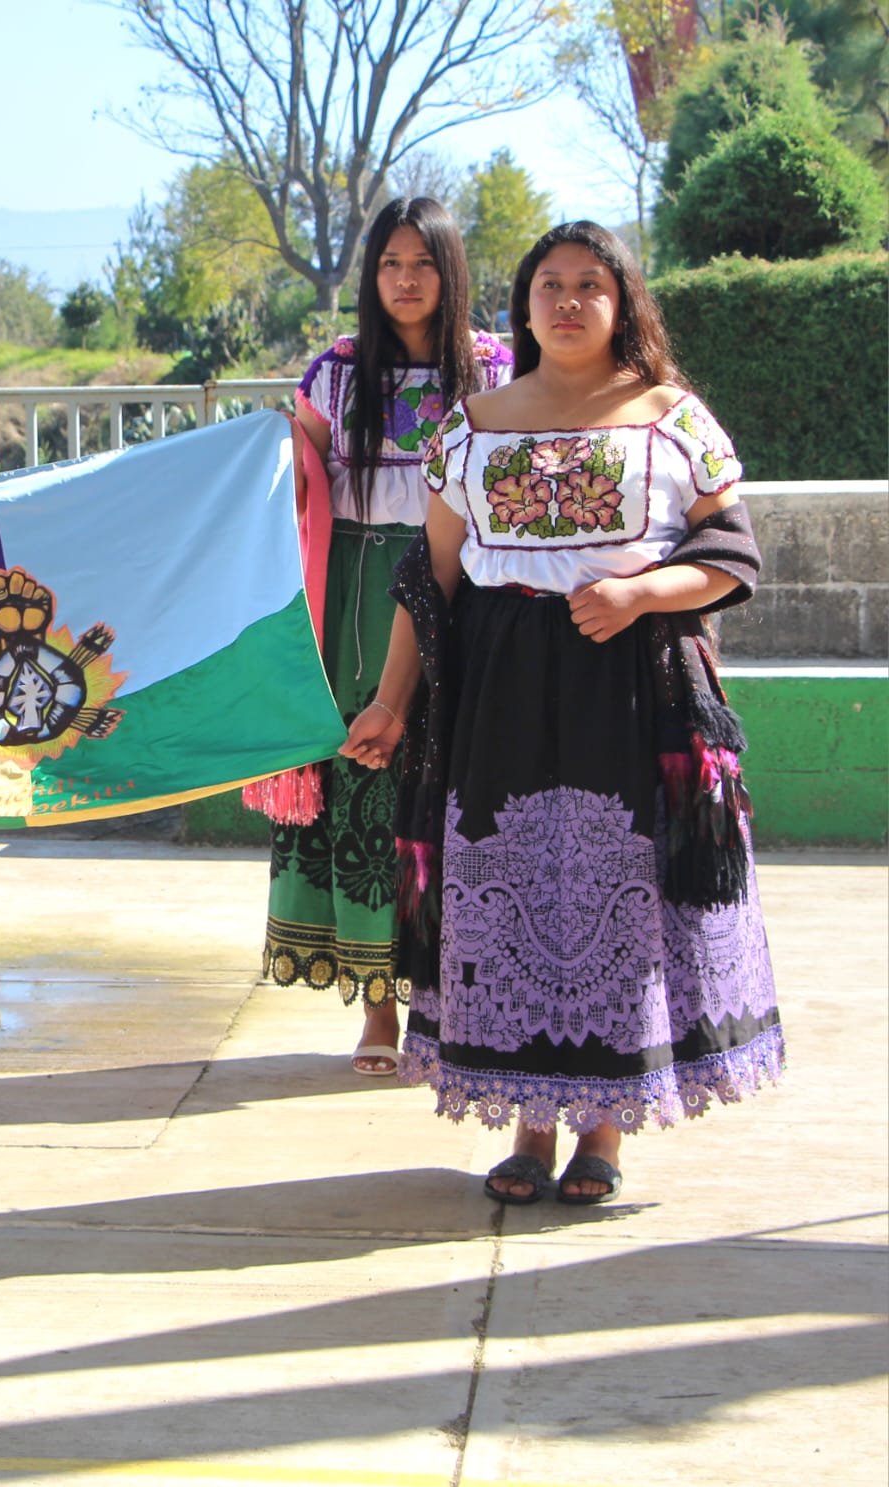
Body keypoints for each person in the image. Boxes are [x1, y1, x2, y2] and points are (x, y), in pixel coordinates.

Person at [344, 221, 783, 1203]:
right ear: (524, 301)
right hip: (499, 688)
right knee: (510, 892)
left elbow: (731, 557)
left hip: (630, 684)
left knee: (610, 894)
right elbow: (433, 579)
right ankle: (525, 1129)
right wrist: (387, 701)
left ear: (623, 301)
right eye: (551, 283)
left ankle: (602, 1134)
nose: (570, 300)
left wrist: (638, 594)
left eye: (592, 283)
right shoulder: (472, 424)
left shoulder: (672, 419)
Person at [256, 197, 512, 1075]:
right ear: (372, 276)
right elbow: (292, 474)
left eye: (423, 263)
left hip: (467, 589)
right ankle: (376, 1009)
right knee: (369, 777)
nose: (406, 280)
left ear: (452, 271)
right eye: (390, 264)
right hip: (360, 594)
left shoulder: (499, 369)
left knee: (453, 781)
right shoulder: (334, 374)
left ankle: (460, 1002)